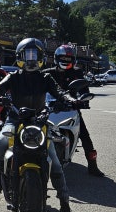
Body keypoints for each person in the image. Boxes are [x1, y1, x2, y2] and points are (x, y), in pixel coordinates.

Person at [0, 38, 79, 212]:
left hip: (39, 121)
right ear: (20, 56)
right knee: (1, 142)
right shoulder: (14, 76)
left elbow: (59, 91)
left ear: (41, 57)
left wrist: (70, 99)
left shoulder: (46, 78)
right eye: (28, 54)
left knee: (55, 163)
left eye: (35, 55)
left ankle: (65, 204)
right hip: (15, 119)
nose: (31, 59)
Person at [44, 44, 105, 177]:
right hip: (50, 108)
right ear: (56, 58)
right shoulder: (47, 73)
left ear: (73, 59)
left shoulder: (76, 72)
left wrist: (83, 100)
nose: (66, 61)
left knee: (85, 136)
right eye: (63, 58)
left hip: (71, 107)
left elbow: (83, 89)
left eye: (68, 58)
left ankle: (93, 166)